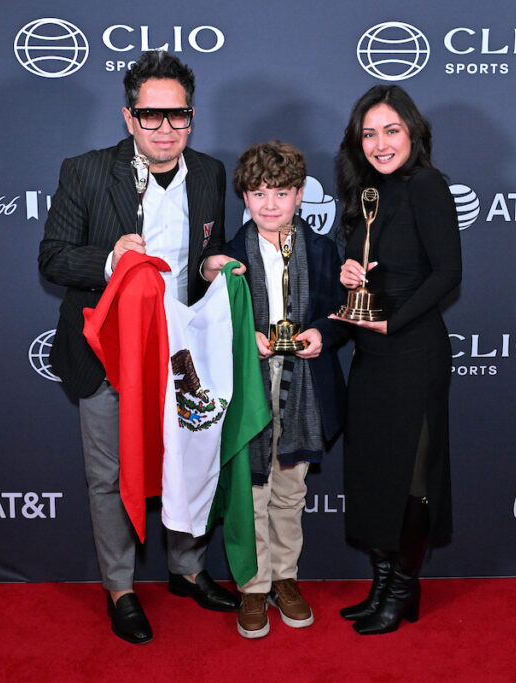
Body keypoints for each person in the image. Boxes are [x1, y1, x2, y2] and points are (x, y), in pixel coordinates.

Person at [38, 50, 242, 645]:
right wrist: (110, 259)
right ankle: (120, 589)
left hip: (181, 352)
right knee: (108, 473)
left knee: (188, 459)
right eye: (151, 116)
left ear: (192, 116)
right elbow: (52, 258)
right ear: (129, 117)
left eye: (178, 116)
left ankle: (188, 570)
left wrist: (212, 264)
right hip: (109, 351)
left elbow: (204, 253)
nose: (165, 129)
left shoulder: (209, 173)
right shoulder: (84, 171)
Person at [332, 85, 462, 635]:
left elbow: (448, 273)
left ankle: (404, 588)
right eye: (369, 134)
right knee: (375, 474)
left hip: (413, 352)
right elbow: (373, 267)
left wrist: (395, 319)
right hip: (372, 355)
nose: (380, 143)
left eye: (391, 130)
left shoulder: (427, 185)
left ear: (413, 133)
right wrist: (349, 275)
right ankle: (384, 583)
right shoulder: (367, 194)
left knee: (412, 476)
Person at [223, 141, 347, 639]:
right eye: (259, 193)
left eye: (280, 193)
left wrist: (322, 333)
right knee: (252, 490)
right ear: (245, 198)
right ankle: (253, 586)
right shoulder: (229, 255)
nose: (270, 204)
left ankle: (285, 579)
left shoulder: (322, 250)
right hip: (248, 384)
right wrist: (244, 336)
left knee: (291, 490)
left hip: (305, 386)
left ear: (299, 195)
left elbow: (339, 312)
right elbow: (209, 322)